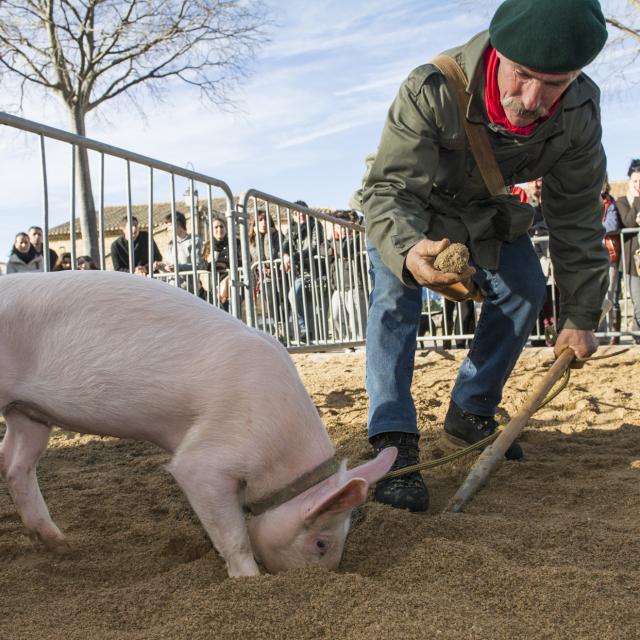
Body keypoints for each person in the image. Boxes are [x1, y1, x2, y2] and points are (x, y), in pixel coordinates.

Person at [360, 0, 609, 512]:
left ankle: (471, 408)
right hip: (410, 208)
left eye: (555, 83)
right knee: (393, 297)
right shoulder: (431, 87)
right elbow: (388, 191)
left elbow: (577, 220)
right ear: (499, 52)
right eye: (522, 76)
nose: (534, 99)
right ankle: (392, 438)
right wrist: (408, 250)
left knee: (524, 289)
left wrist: (581, 315)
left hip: (483, 213)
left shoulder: (579, 112)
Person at [282, 200, 326, 342]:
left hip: (316, 272)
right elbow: (285, 245)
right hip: (299, 274)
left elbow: (313, 247)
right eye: (296, 212)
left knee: (297, 295)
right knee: (292, 296)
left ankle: (306, 330)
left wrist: (293, 257)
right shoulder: (292, 229)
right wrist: (285, 255)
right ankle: (300, 331)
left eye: (302, 211)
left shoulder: (315, 225)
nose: (300, 215)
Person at [616, 158, 640, 344]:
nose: (639, 185)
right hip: (632, 262)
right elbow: (629, 221)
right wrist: (638, 200)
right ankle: (637, 337)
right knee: (638, 303)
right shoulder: (623, 201)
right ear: (629, 182)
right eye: (635, 181)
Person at [161, 211, 205, 294]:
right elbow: (167, 266)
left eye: (170, 225)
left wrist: (178, 267)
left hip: (188, 292)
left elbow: (197, 265)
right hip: (171, 291)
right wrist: (160, 266)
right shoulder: (170, 245)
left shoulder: (194, 241)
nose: (168, 229)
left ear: (178, 224)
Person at [600, 177, 622, 343]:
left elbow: (612, 225)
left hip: (609, 255)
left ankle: (614, 337)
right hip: (591, 257)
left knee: (611, 296)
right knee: (596, 297)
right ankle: (599, 335)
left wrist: (592, 227)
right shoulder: (584, 204)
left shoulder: (611, 204)